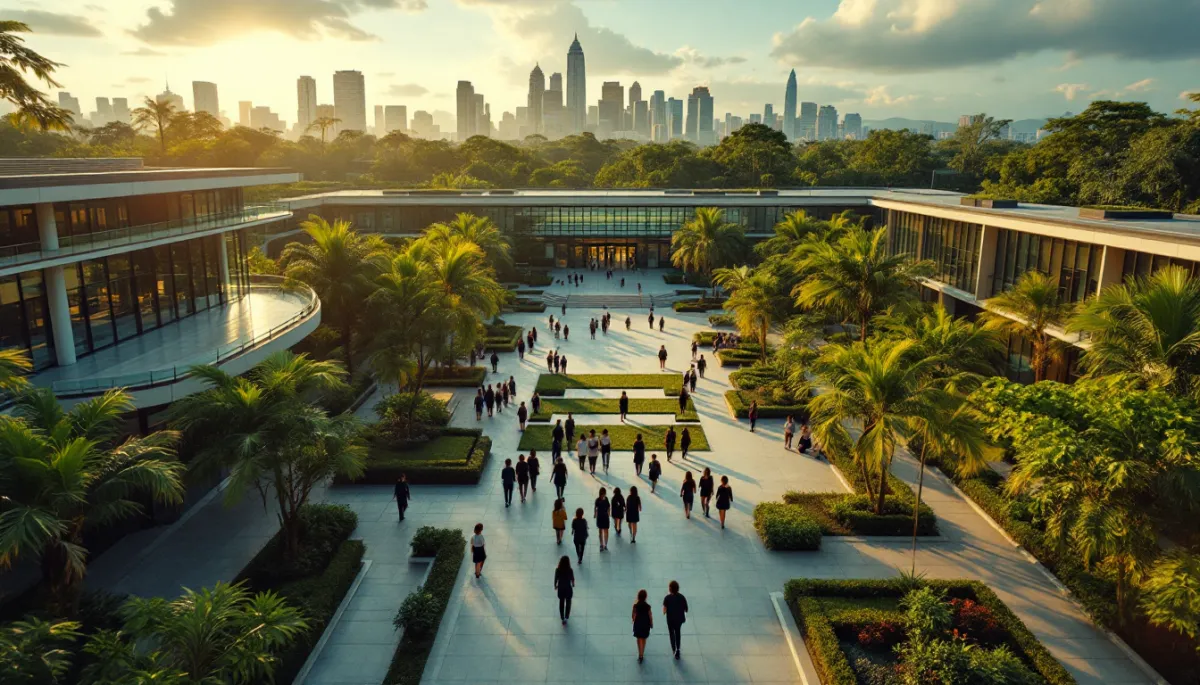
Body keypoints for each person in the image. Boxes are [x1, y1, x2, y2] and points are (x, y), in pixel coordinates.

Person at [662, 581, 689, 659]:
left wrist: (665, 611)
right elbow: (686, 609)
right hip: (679, 619)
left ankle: (673, 648)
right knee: (678, 633)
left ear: (670, 589)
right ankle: (678, 650)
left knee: (671, 633)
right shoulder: (682, 597)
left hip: (670, 619)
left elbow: (664, 610)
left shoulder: (667, 598)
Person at [632, 589, 653, 663]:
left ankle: (639, 653)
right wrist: (651, 624)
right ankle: (642, 654)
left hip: (638, 624)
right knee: (644, 639)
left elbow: (633, 616)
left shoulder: (635, 605)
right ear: (645, 597)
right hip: (645, 624)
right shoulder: (648, 606)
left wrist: (634, 621)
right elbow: (650, 616)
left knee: (638, 639)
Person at [555, 556, 575, 625]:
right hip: (568, 589)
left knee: (561, 603)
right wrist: (573, 584)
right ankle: (566, 616)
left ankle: (562, 617)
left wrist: (555, 585)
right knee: (568, 603)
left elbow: (556, 579)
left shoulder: (558, 570)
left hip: (561, 588)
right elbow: (572, 578)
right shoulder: (570, 570)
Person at [595, 487, 611, 551]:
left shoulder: (599, 500)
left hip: (601, 517)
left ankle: (603, 544)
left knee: (603, 531)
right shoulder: (602, 500)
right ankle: (603, 544)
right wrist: (608, 514)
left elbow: (596, 508)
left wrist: (596, 515)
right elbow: (608, 507)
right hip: (603, 517)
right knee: (602, 531)